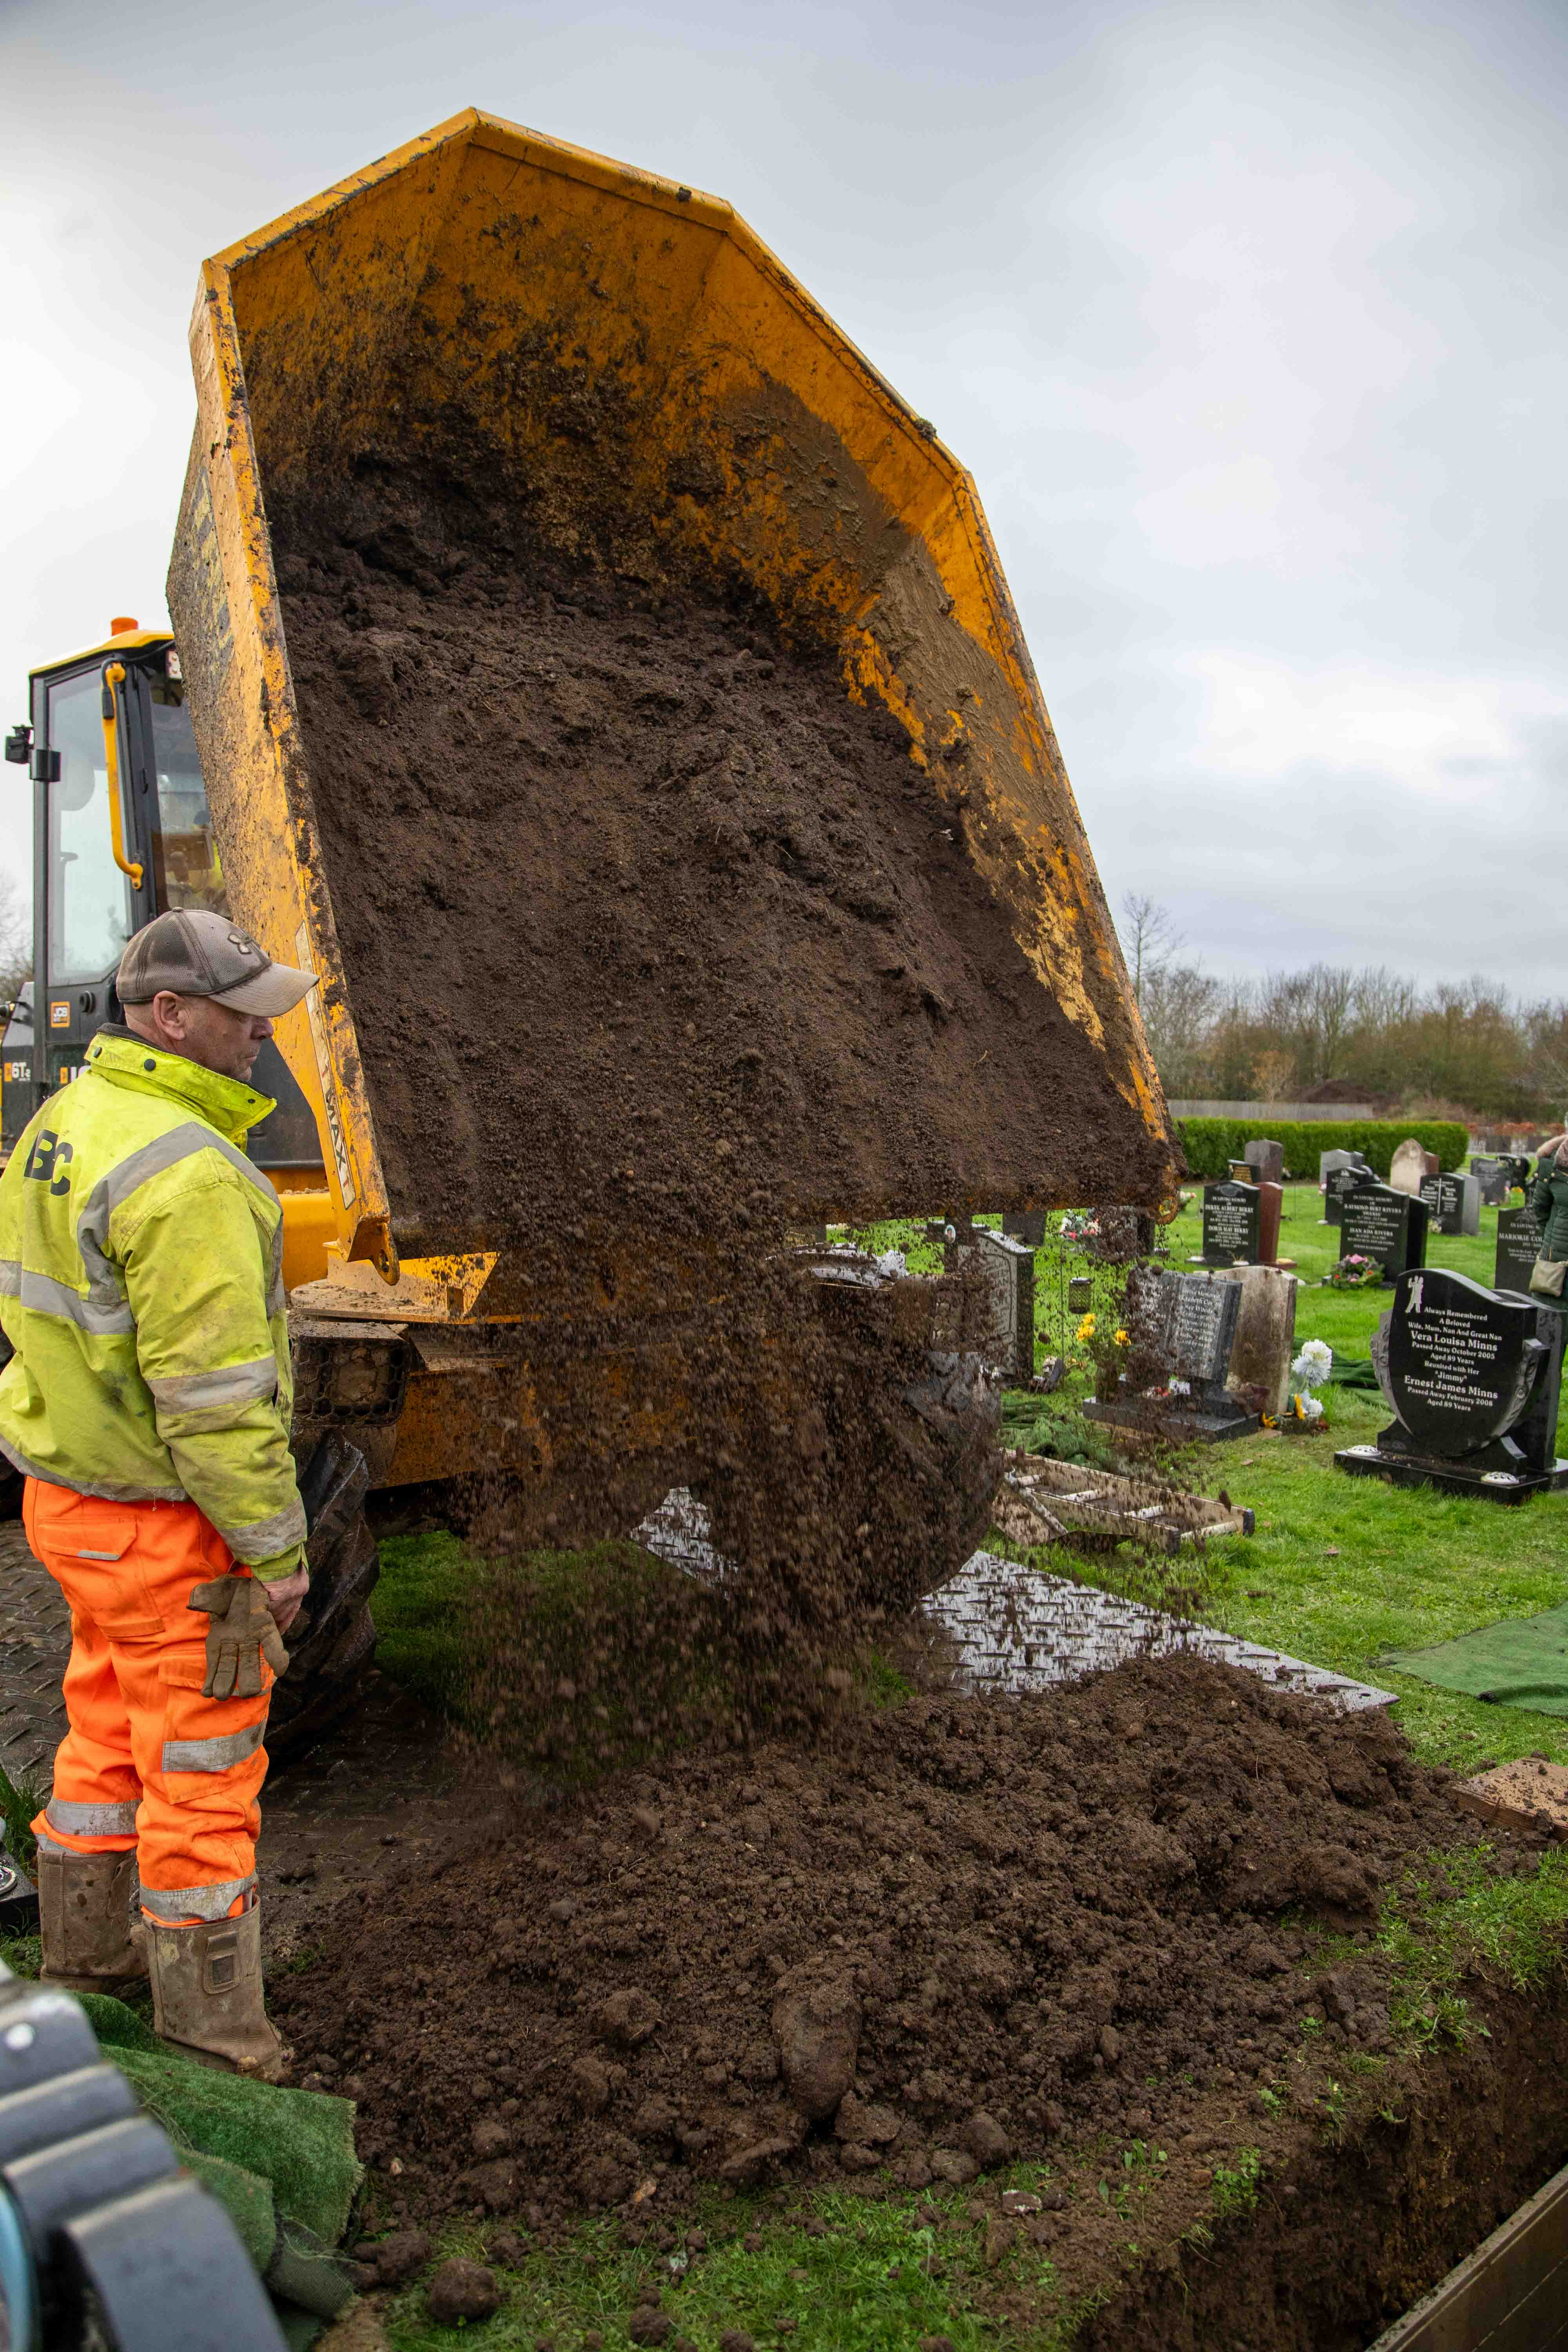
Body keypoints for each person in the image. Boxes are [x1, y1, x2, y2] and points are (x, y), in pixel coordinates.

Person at [0, 910, 318, 2076]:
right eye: (244, 1011)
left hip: (74, 1507)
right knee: (201, 1765)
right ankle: (217, 2034)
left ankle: (87, 1966)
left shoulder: (63, 1124)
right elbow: (218, 1406)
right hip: (171, 1535)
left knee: (102, 1729)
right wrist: (278, 1555)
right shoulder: (190, 1176)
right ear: (172, 1016)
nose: (263, 1029)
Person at [1525, 1123, 1568, 1306]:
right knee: (1553, 1321)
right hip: (1559, 1261)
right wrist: (1554, 1238)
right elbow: (1540, 1209)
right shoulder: (1552, 1163)